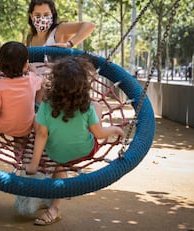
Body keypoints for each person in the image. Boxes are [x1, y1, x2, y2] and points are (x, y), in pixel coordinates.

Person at [25, 56, 125, 226]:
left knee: (60, 163)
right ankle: (54, 207)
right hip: (85, 150)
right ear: (83, 84)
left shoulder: (46, 105)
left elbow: (41, 134)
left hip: (56, 153)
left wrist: (34, 164)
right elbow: (99, 134)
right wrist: (115, 129)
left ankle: (55, 207)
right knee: (97, 106)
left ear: (54, 81)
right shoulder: (86, 106)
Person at [0, 41, 43, 137]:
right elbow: (41, 81)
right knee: (42, 85)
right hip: (27, 127)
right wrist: (34, 71)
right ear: (26, 65)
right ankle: (37, 107)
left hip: (3, 127)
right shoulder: (32, 78)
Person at [26, 0, 95, 48]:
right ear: (31, 16)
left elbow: (90, 25)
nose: (42, 18)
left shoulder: (60, 30)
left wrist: (69, 44)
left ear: (52, 14)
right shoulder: (30, 37)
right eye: (37, 15)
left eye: (46, 14)